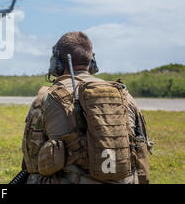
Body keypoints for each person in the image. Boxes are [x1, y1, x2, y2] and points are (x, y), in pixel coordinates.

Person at [21, 31, 152, 184]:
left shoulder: (47, 97)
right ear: (92, 61)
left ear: (57, 62)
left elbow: (31, 160)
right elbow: (141, 151)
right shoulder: (123, 94)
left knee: (34, 177)